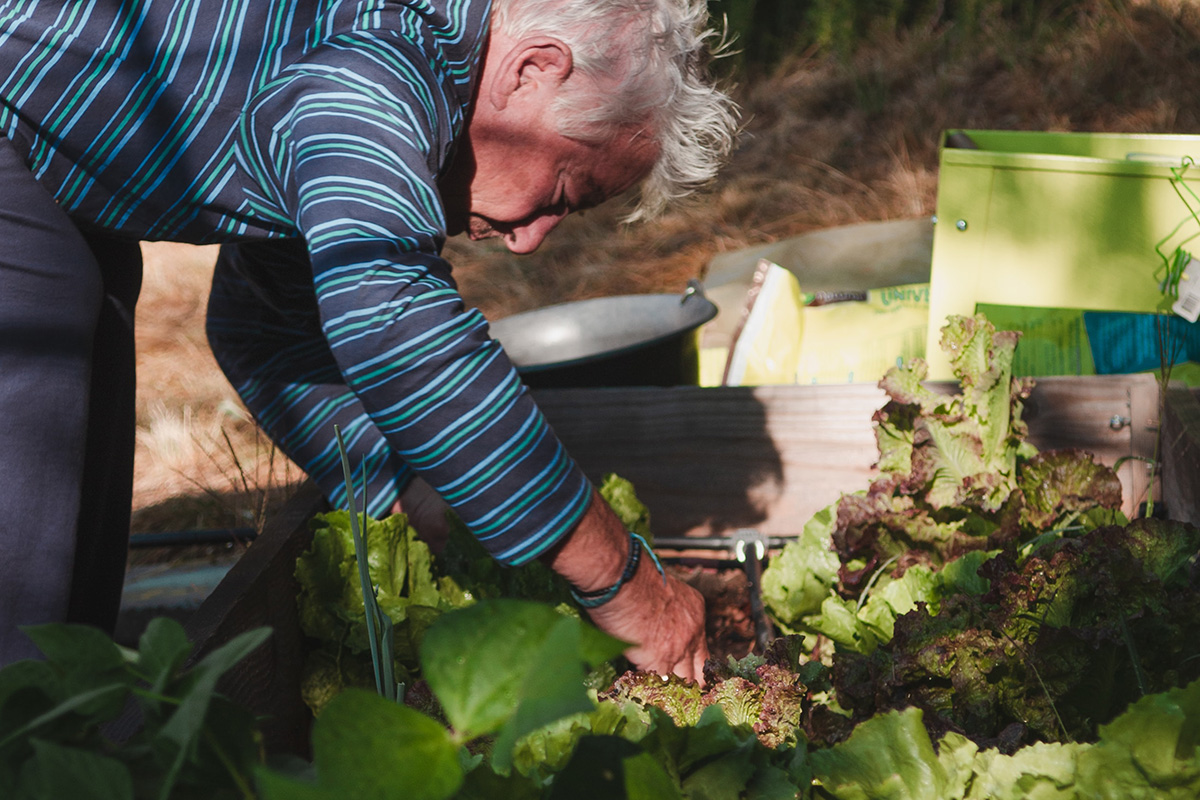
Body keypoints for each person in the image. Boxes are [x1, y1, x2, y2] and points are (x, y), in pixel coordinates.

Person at [0, 0, 737, 679]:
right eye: (565, 192)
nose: (529, 242)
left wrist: (412, 491)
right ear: (532, 69)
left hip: (48, 152)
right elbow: (393, 322)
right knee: (30, 526)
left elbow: (268, 323)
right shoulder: (381, 61)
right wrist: (624, 584)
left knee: (71, 536)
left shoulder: (364, 78)